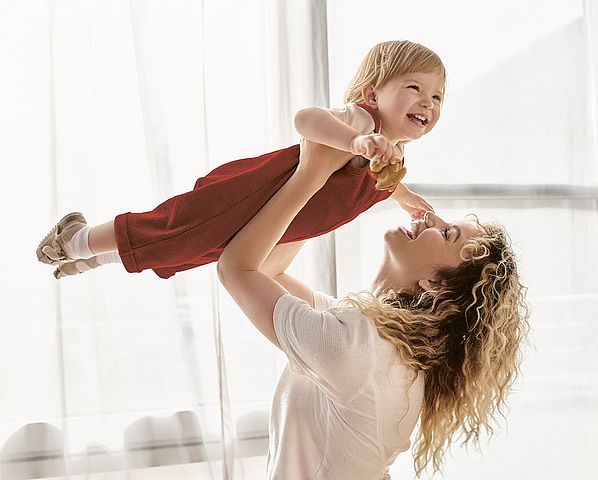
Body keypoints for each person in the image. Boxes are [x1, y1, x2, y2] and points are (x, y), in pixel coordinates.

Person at [217, 139, 530, 479]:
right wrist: (331, 185)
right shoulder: (372, 338)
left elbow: (236, 269)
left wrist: (312, 172)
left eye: (447, 233)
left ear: (435, 284)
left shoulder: (359, 348)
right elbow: (269, 272)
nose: (431, 218)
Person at [35, 40, 444, 279]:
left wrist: (405, 197)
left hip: (271, 224)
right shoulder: (361, 122)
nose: (428, 102)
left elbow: (379, 180)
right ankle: (76, 239)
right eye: (414, 87)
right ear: (373, 94)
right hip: (249, 195)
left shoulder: (391, 154)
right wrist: (356, 140)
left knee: (196, 252)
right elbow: (306, 120)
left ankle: (99, 256)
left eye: (437, 96)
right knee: (177, 229)